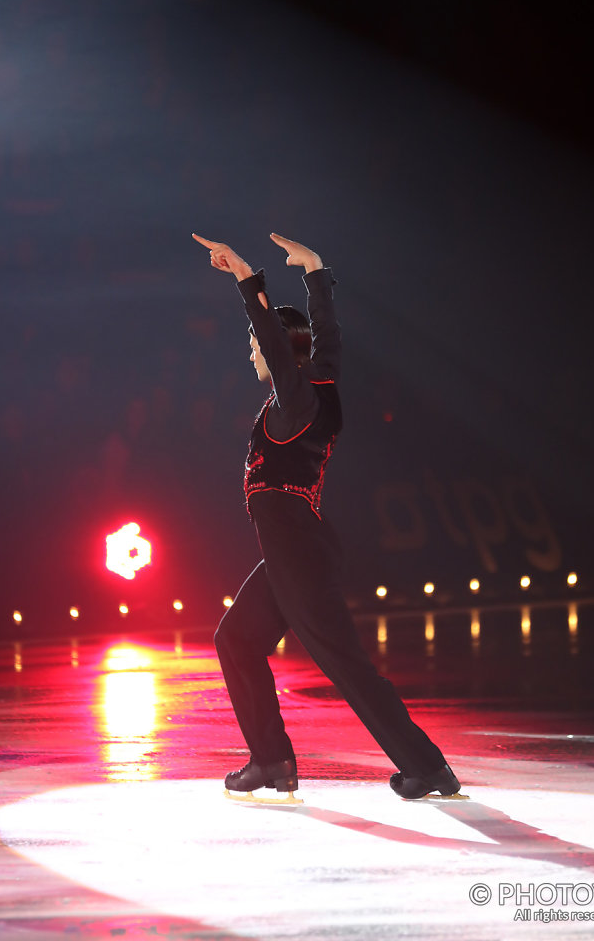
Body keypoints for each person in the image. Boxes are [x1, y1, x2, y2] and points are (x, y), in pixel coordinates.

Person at [192, 230, 461, 801]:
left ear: (277, 351)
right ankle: (271, 762)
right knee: (236, 640)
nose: (250, 352)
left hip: (295, 551)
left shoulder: (296, 400)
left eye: (255, 344)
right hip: (297, 549)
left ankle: (427, 766)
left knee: (347, 667)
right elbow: (328, 342)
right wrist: (315, 272)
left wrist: (248, 280)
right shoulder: (320, 384)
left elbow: (283, 339)